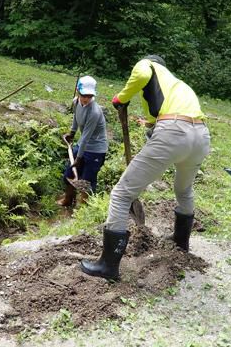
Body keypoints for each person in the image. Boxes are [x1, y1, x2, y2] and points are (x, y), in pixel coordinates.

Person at [80, 55, 211, 280]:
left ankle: (108, 266)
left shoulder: (148, 65)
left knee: (122, 194)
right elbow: (155, 119)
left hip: (174, 132)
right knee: (184, 190)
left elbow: (140, 75)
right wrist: (150, 126)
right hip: (201, 136)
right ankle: (181, 243)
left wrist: (121, 99)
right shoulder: (178, 87)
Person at [56, 75, 108, 207]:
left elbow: (85, 136)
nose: (86, 99)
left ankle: (83, 211)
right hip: (82, 145)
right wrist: (72, 133)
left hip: (96, 150)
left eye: (89, 96)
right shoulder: (76, 102)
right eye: (84, 95)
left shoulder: (94, 112)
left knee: (86, 181)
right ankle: (68, 200)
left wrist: (78, 158)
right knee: (70, 174)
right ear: (78, 92)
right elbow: (76, 117)